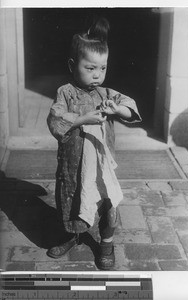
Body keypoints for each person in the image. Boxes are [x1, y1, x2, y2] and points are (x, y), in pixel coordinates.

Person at [47, 16, 141, 270]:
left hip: (101, 166)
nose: (97, 75)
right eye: (90, 68)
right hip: (73, 163)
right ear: (72, 64)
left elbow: (130, 107)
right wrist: (81, 119)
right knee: (71, 198)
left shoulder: (105, 93)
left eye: (102, 68)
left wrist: (118, 110)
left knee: (107, 200)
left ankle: (107, 243)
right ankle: (72, 235)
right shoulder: (65, 93)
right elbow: (55, 118)